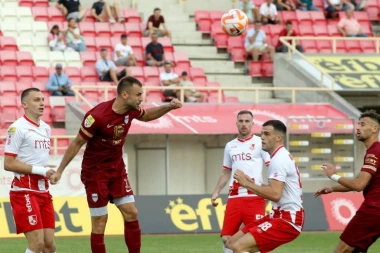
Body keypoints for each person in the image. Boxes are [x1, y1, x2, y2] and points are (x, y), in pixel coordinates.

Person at [49, 77, 182, 253]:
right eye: (138, 94)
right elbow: (77, 143)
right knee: (100, 221)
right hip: (95, 173)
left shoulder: (131, 110)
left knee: (131, 212)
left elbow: (147, 115)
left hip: (117, 170)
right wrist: (59, 171)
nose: (141, 98)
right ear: (125, 94)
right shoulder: (97, 116)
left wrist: (169, 106)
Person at [226, 120, 304, 253]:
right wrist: (253, 183)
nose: (262, 137)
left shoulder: (279, 160)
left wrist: (247, 184)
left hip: (288, 220)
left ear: (278, 138)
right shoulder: (278, 157)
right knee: (231, 243)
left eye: (267, 134)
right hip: (277, 215)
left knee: (239, 247)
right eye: (261, 134)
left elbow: (275, 194)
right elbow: (276, 189)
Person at [315, 110, 380, 253]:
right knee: (357, 250)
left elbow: (359, 185)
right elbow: (361, 181)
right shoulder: (376, 150)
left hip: (373, 210)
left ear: (375, 129)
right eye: (358, 124)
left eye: (362, 124)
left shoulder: (375, 152)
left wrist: (333, 176)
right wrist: (333, 189)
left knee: (342, 251)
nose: (358, 128)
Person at [4, 88, 57, 253]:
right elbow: (8, 163)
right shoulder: (17, 128)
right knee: (37, 244)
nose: (42, 103)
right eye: (36, 100)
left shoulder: (46, 128)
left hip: (43, 190)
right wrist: (41, 170)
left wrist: (48, 171)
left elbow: (37, 160)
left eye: (42, 99)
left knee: (49, 246)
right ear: (24, 104)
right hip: (23, 190)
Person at [211, 110, 270, 253]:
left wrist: (269, 190)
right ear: (236, 123)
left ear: (252, 124)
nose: (244, 124)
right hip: (235, 196)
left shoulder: (260, 143)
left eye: (247, 121)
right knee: (226, 238)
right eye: (241, 121)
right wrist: (216, 191)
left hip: (254, 196)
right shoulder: (230, 146)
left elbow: (272, 167)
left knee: (256, 237)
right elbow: (226, 172)